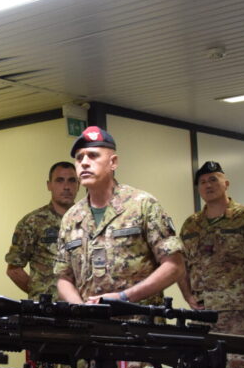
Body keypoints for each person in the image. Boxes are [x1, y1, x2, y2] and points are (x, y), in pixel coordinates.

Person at [55, 126, 183, 305]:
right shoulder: (71, 218)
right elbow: (63, 277)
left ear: (113, 162)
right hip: (90, 320)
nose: (84, 162)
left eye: (93, 155)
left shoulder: (142, 205)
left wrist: (124, 298)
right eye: (79, 158)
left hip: (137, 318)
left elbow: (175, 266)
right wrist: (81, 309)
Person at [178, 161, 244, 335]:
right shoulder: (191, 225)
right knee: (204, 354)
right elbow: (180, 263)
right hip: (202, 313)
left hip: (240, 313)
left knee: (242, 354)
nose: (208, 185)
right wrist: (187, 295)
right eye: (202, 182)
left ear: (226, 184)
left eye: (213, 180)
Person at [5, 161, 79, 300]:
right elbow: (14, 270)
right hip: (46, 308)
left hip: (80, 305)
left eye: (72, 180)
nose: (66, 187)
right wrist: (39, 292)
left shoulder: (87, 221)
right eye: (59, 180)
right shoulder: (32, 222)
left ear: (78, 185)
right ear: (49, 185)